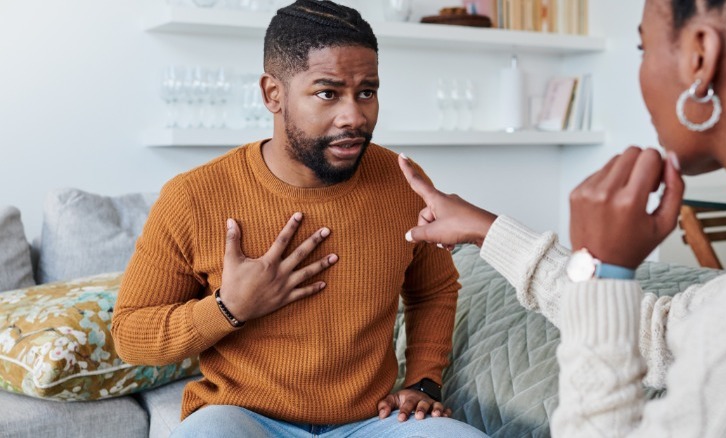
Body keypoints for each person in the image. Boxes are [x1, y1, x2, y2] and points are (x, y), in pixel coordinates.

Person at [398, 0, 726, 435]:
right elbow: (661, 336)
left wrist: (599, 270)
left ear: (699, 56)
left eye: (643, 48)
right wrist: (488, 231)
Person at [111, 1, 488, 437]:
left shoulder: (401, 181)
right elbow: (131, 334)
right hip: (243, 418)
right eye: (328, 93)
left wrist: (423, 380)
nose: (354, 116)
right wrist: (228, 308)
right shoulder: (193, 197)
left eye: (366, 92)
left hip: (371, 423)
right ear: (273, 94)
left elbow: (434, 289)